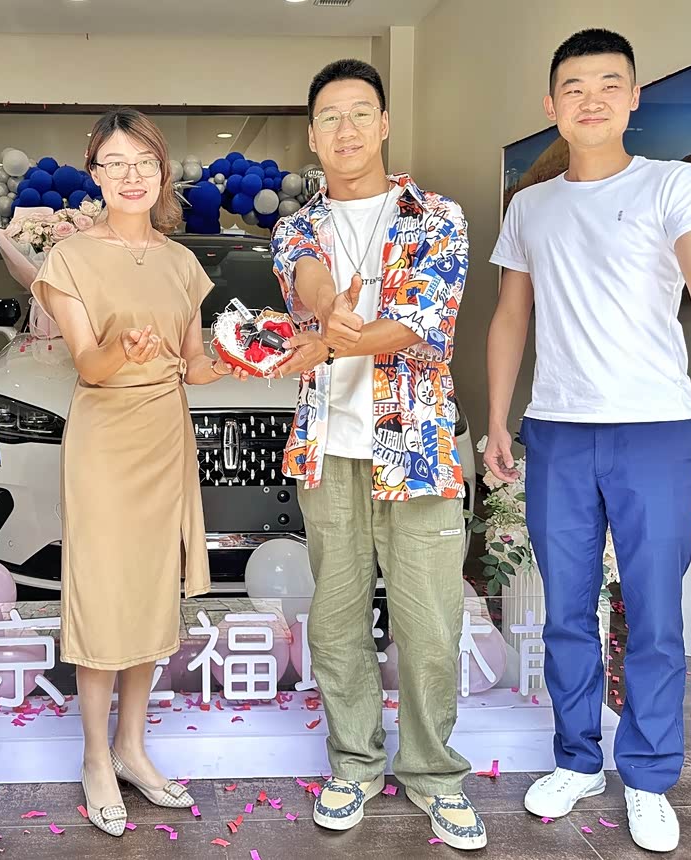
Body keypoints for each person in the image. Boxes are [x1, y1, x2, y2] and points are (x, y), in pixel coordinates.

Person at [486, 29, 691, 854]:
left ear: (633, 97)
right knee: (567, 611)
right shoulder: (529, 207)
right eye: (575, 87)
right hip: (557, 429)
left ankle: (648, 776)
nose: (592, 99)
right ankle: (578, 760)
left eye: (609, 84)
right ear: (552, 104)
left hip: (654, 428)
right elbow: (511, 316)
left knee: (653, 613)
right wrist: (499, 420)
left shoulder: (670, 182)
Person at [268, 59, 484, 850]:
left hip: (416, 448)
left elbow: (427, 322)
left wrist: (335, 339)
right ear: (312, 135)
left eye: (361, 113)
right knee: (336, 618)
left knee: (429, 621)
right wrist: (330, 309)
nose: (347, 129)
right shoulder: (296, 225)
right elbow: (306, 277)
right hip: (331, 449)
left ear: (385, 124)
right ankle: (354, 765)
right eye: (330, 116)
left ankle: (434, 775)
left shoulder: (437, 216)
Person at [30, 107, 247, 839]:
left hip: (164, 436)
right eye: (116, 164)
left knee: (151, 595)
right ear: (94, 173)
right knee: (103, 595)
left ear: (162, 172)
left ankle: (132, 747)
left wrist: (247, 357)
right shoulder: (69, 259)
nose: (131, 177)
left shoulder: (183, 263)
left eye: (144, 163)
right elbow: (89, 363)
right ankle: (96, 756)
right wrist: (123, 349)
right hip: (104, 437)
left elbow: (195, 363)